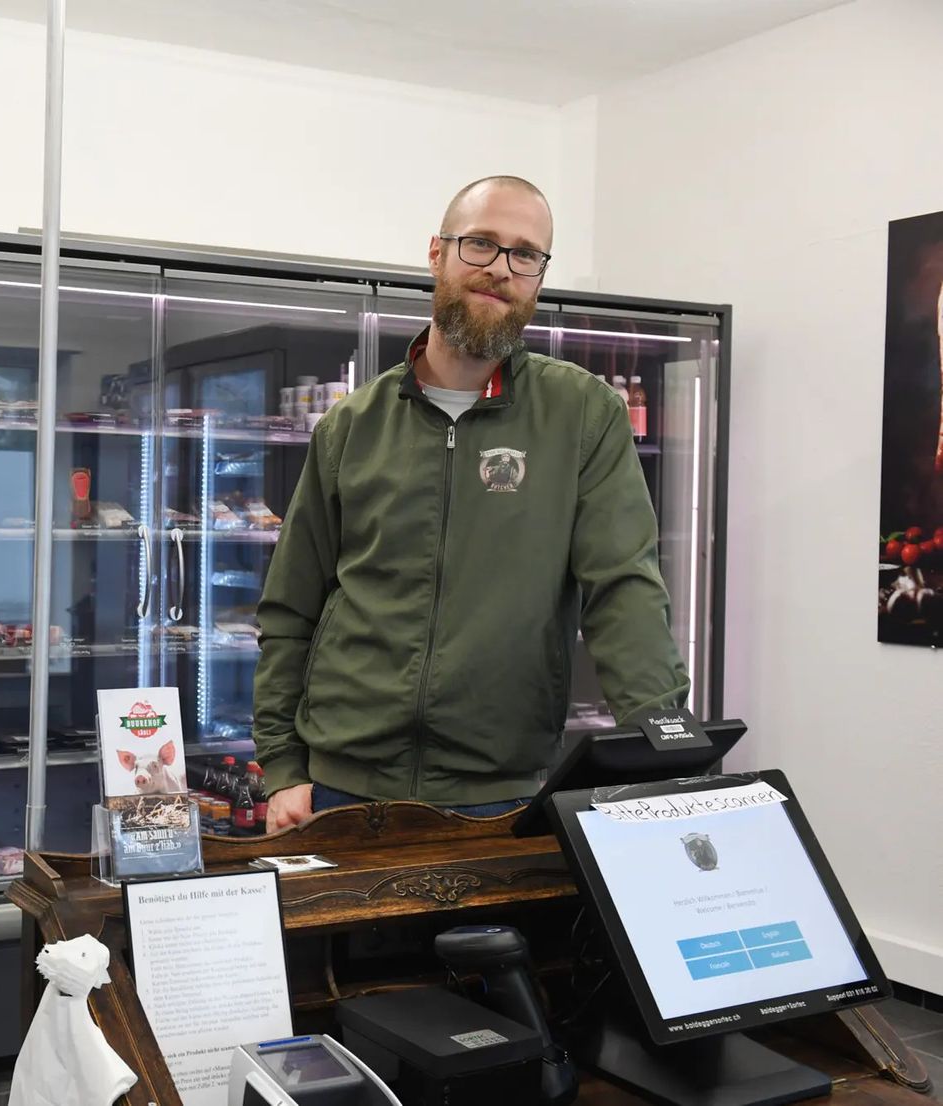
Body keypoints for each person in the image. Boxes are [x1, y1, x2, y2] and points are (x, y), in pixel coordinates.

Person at [253, 175, 689, 832]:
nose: (501, 269)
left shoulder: (583, 416)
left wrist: (664, 750)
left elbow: (624, 593)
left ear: (539, 275)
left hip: (502, 794)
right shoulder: (352, 426)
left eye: (525, 254)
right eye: (481, 244)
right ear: (438, 253)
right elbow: (292, 609)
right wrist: (283, 768)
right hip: (340, 791)